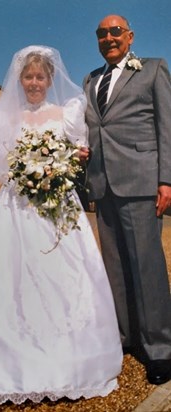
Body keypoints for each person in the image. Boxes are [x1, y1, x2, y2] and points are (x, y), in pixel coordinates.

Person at [0, 45, 123, 405]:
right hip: (16, 203)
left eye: (40, 77)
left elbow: (79, 148)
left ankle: (66, 360)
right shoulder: (7, 117)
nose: (34, 83)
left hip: (56, 206)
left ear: (50, 81)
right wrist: (24, 172)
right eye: (29, 77)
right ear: (20, 80)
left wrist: (70, 159)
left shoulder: (65, 114)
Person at [83, 15, 171, 385]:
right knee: (115, 269)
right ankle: (126, 338)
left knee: (147, 268)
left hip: (140, 182)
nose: (108, 37)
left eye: (115, 31)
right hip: (103, 185)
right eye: (102, 33)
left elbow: (167, 126)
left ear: (130, 36)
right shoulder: (90, 80)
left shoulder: (152, 70)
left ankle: (161, 349)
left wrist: (166, 179)